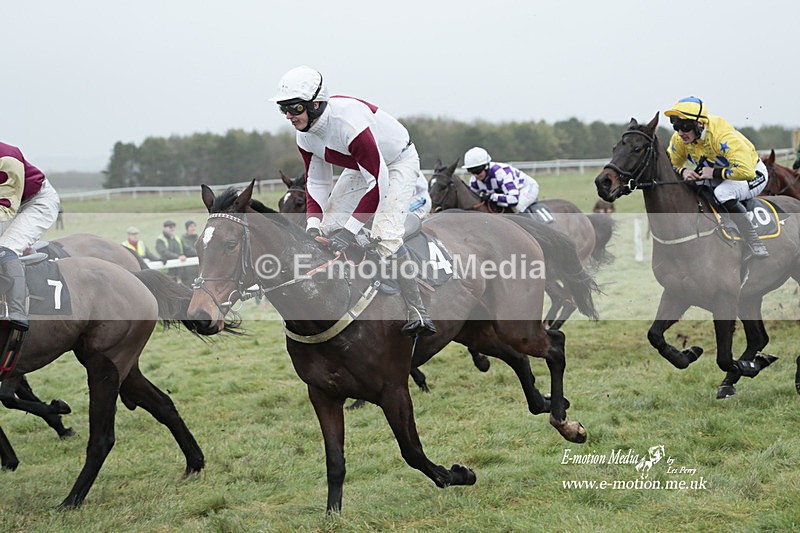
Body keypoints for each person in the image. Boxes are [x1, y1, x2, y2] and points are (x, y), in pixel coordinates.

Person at [269, 65, 435, 337]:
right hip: (361, 167)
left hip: (397, 163)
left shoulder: (349, 126)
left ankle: (419, 311)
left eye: (294, 108)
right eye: (283, 108)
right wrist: (313, 225)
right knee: (326, 228)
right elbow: (317, 182)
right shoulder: (304, 135)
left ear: (315, 105)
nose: (288, 115)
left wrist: (349, 231)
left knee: (385, 235)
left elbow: (378, 184)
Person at [665, 96, 769, 259]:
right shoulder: (679, 139)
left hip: (752, 174)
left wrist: (714, 173)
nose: (680, 133)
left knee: (723, 193)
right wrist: (683, 171)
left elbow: (746, 171)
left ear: (700, 124)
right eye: (676, 126)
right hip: (724, 175)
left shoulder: (722, 136)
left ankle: (755, 242)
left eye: (685, 126)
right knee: (691, 186)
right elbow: (670, 163)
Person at [0, 142, 61, 335]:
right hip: (12, 202)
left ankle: (16, 311)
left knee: (5, 248)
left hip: (35, 202)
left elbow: (5, 209)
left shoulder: (7, 158)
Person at [461, 147, 540, 213]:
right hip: (506, 193)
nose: (475, 175)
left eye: (478, 171)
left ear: (486, 166)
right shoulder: (474, 181)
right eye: (472, 171)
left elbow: (514, 199)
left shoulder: (501, 173)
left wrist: (492, 196)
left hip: (526, 187)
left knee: (517, 207)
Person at [179, 220, 199, 286]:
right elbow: (188, 250)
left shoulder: (198, 238)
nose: (193, 228)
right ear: (187, 228)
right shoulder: (183, 239)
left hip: (198, 267)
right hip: (188, 269)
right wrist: (199, 253)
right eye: (191, 226)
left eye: (194, 226)